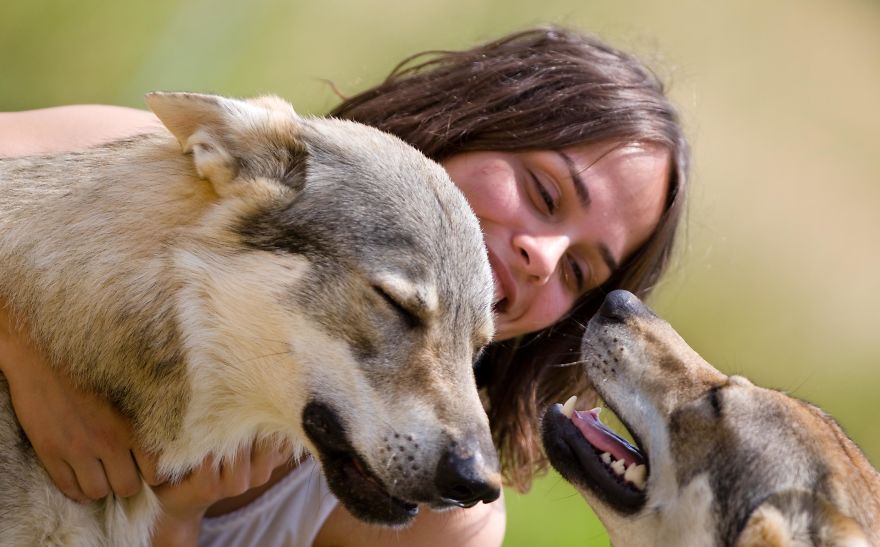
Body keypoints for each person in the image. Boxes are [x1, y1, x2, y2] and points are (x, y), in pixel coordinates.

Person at [0, 25, 688, 546]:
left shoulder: (450, 520)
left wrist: (176, 521)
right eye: (542, 192)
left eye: (579, 272)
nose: (544, 254)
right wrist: (22, 337)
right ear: (469, 122)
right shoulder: (165, 170)